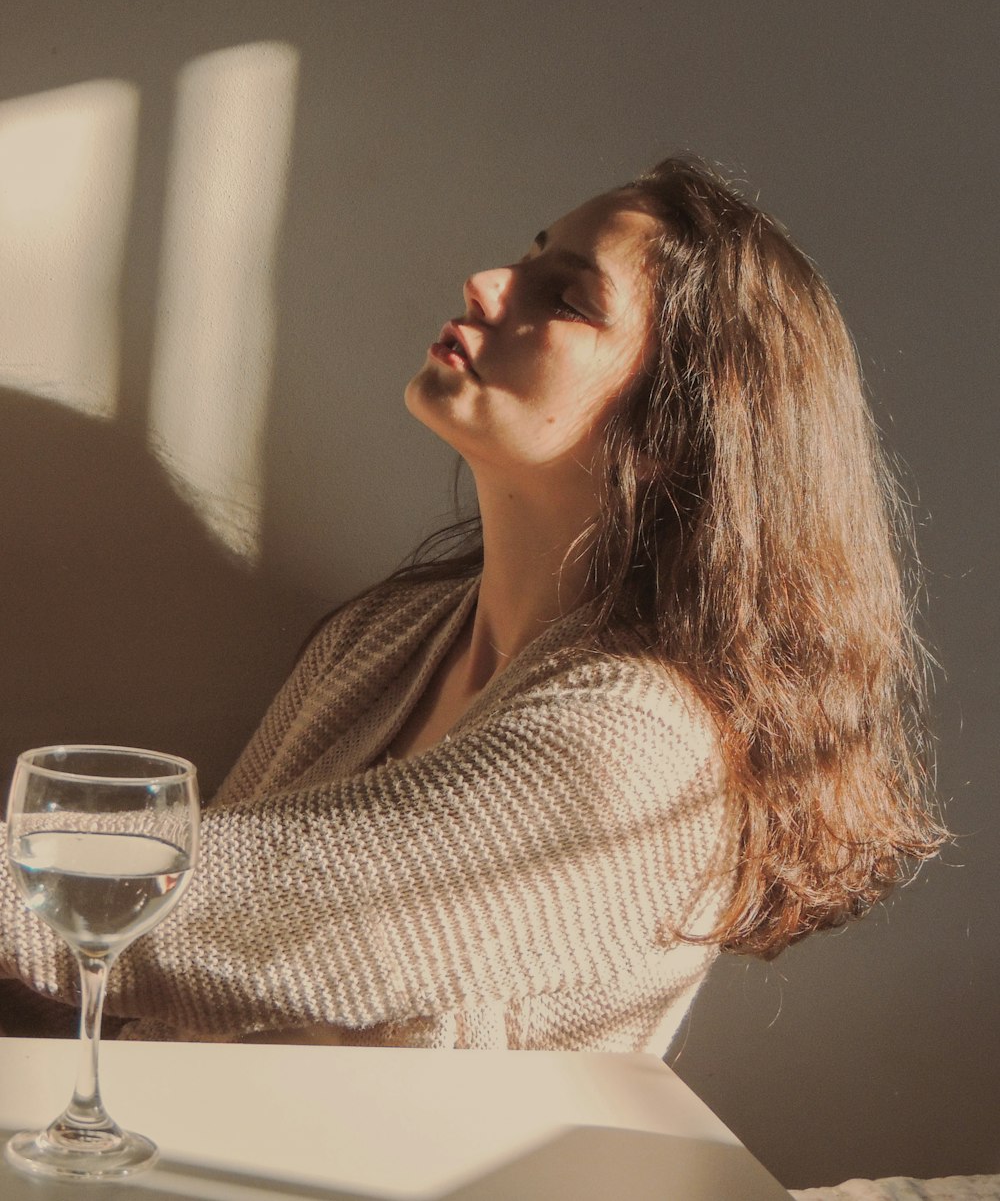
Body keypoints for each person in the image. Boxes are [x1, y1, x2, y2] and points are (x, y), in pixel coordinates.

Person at [0, 157, 945, 1052]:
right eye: (530, 254)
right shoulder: (387, 636)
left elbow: (220, 906)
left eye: (564, 296)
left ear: (671, 431)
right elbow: (174, 964)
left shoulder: (633, 745)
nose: (488, 281)